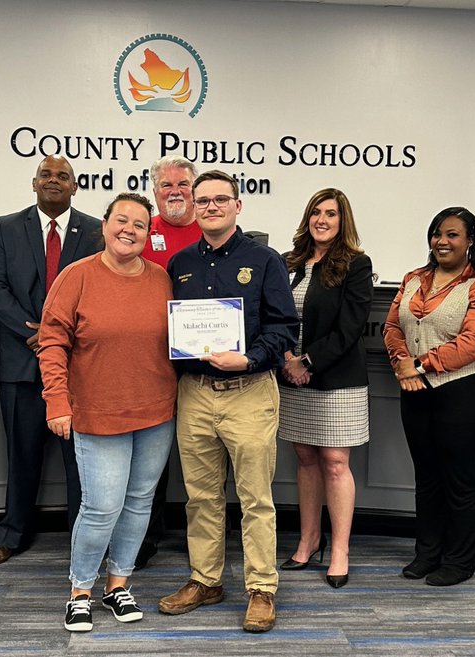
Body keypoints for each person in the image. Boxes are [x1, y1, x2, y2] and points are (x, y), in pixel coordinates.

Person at [157, 170, 299, 633]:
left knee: (255, 497)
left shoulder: (265, 260)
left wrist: (250, 358)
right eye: (203, 201)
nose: (211, 206)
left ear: (239, 206)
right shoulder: (178, 264)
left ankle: (261, 588)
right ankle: (206, 580)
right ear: (193, 209)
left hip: (249, 392)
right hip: (194, 394)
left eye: (221, 199)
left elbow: (284, 327)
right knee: (200, 497)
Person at [38, 193, 176, 632]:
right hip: (97, 413)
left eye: (139, 224)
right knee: (100, 507)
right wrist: (56, 401)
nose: (129, 230)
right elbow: (52, 342)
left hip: (157, 412)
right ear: (104, 224)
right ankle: (80, 591)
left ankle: (118, 585)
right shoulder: (76, 276)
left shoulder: (162, 279)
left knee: (138, 505)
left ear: (148, 233)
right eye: (122, 220)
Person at [0, 155, 102, 567]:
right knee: (22, 456)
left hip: (78, 368)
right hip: (22, 361)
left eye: (62, 176)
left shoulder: (96, 231)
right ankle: (11, 535)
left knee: (80, 465)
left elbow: (102, 291)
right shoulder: (5, 227)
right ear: (34, 183)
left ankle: (81, 541)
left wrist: (59, 338)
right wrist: (36, 334)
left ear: (74, 187)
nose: (54, 181)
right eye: (46, 175)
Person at [383, 206, 475, 586]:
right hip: (415, 390)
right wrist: (403, 363)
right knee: (427, 477)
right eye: (437, 233)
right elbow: (391, 326)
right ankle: (427, 554)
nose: (442, 241)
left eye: (452, 234)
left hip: (465, 390)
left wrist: (419, 365)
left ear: (470, 241)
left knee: (461, 478)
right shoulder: (413, 278)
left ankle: (459, 561)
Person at [277, 188, 373, 589]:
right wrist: (286, 359)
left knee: (335, 461)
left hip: (335, 379)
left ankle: (340, 550)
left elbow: (350, 328)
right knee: (305, 459)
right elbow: (273, 313)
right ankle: (309, 539)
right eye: (316, 212)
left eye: (330, 214)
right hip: (290, 375)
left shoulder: (356, 264)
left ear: (342, 220)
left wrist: (307, 362)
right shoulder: (289, 261)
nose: (322, 220)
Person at [137, 155, 201, 569]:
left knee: (205, 456)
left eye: (182, 185)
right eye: (166, 186)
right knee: (149, 460)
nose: (175, 192)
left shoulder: (216, 229)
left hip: (202, 364)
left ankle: (206, 542)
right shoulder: (140, 231)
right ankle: (143, 539)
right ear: (154, 191)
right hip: (150, 362)